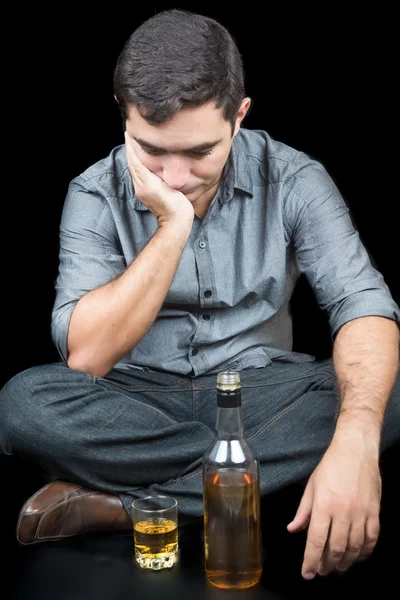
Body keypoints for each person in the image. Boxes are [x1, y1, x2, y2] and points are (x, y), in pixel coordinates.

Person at [1, 8, 399, 582]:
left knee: (383, 396)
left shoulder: (293, 178)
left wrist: (357, 446)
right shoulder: (93, 192)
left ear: (239, 117)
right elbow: (86, 356)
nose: (174, 177)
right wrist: (173, 227)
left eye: (199, 153)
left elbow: (363, 305)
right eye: (152, 151)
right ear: (123, 116)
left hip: (257, 391)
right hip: (135, 402)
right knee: (24, 403)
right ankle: (235, 475)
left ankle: (131, 507)